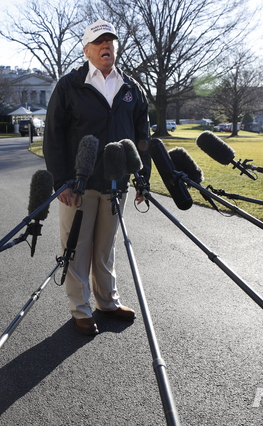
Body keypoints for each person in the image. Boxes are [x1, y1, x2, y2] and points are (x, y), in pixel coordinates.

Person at [43, 19, 151, 336]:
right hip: (79, 184)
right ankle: (81, 309)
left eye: (111, 42)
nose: (107, 46)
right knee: (77, 247)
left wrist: (142, 179)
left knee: (105, 247)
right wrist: (61, 180)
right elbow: (53, 136)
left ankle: (107, 301)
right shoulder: (69, 86)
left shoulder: (131, 88)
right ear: (87, 49)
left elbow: (142, 137)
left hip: (116, 183)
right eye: (99, 42)